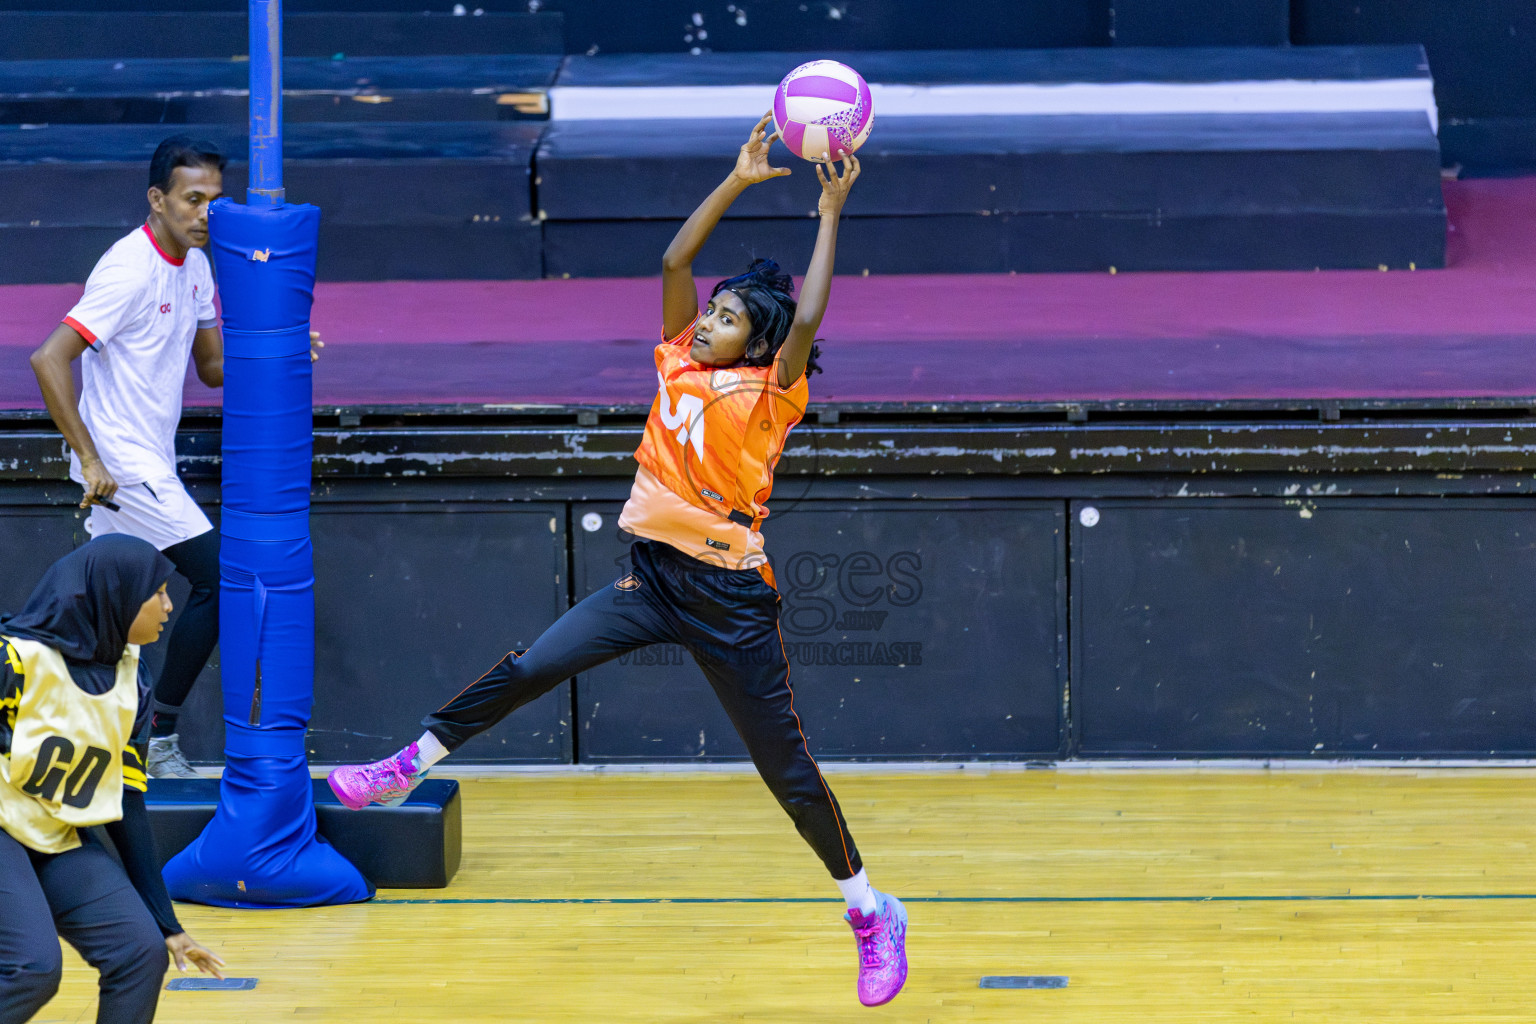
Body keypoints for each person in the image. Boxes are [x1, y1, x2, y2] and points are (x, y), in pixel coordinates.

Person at [327, 114, 908, 1007]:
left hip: (729, 601)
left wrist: (829, 211)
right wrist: (736, 180)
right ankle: (407, 764)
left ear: (755, 343)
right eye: (712, 312)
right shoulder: (677, 359)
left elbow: (814, 314)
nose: (710, 319)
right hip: (652, 579)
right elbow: (675, 265)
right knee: (533, 665)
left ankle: (870, 913)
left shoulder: (771, 391)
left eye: (728, 318)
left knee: (787, 774)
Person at [28, 134, 321, 780]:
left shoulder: (197, 265)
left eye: (216, 202)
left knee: (105, 610)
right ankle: (159, 734)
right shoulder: (128, 267)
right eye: (192, 200)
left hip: (146, 460)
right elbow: (48, 358)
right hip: (124, 465)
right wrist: (91, 458)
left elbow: (214, 370)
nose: (205, 215)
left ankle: (101, 738)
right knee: (223, 580)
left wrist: (287, 343)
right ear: (157, 199)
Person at [0, 535, 225, 1024]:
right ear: (116, 594)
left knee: (140, 953)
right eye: (158, 593)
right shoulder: (13, 660)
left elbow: (129, 804)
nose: (169, 606)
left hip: (54, 833)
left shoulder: (133, 680)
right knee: (31, 968)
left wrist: (168, 925)